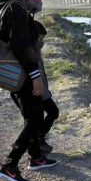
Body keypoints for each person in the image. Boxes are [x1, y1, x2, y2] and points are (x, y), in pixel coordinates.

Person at [0, 0, 58, 181]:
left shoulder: (10, 7)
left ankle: (36, 157)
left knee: (33, 118)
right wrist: (36, 78)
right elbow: (22, 47)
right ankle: (9, 165)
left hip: (18, 75)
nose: (41, 2)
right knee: (33, 121)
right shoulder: (16, 10)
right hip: (23, 76)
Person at [10, 20, 59, 155]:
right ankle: (33, 145)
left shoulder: (34, 50)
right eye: (40, 39)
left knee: (37, 121)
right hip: (33, 92)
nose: (42, 43)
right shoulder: (28, 53)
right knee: (39, 119)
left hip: (40, 92)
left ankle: (37, 143)